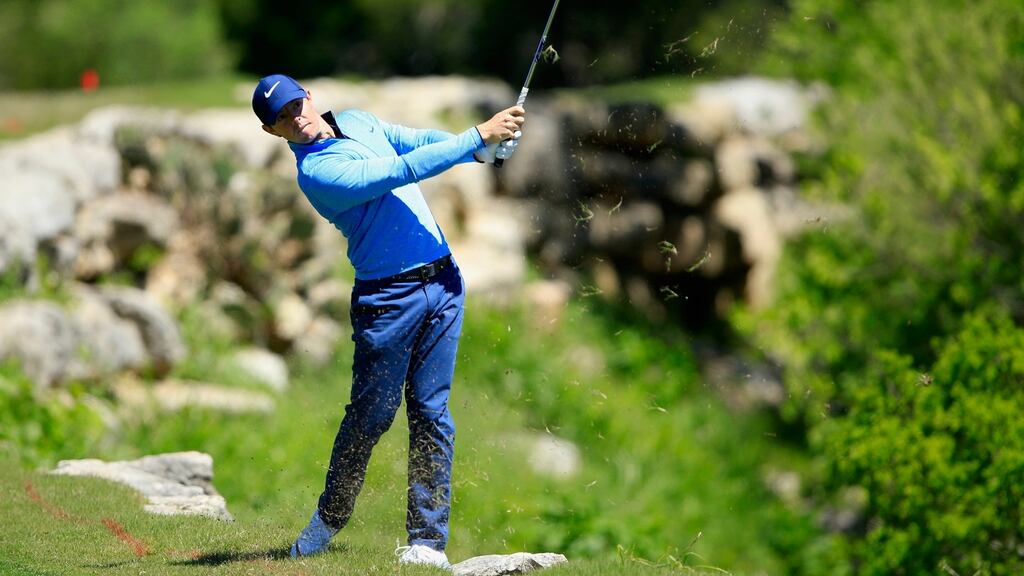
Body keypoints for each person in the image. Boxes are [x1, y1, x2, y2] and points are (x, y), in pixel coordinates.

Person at [252, 74, 525, 569]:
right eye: (283, 118)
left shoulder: (355, 120)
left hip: (443, 283)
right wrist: (477, 137)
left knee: (432, 412)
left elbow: (416, 142)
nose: (296, 118)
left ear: (309, 96)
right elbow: (397, 170)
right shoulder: (317, 174)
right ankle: (329, 518)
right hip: (387, 300)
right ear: (274, 133)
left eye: (297, 104)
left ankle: (426, 542)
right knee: (371, 417)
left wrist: (480, 152)